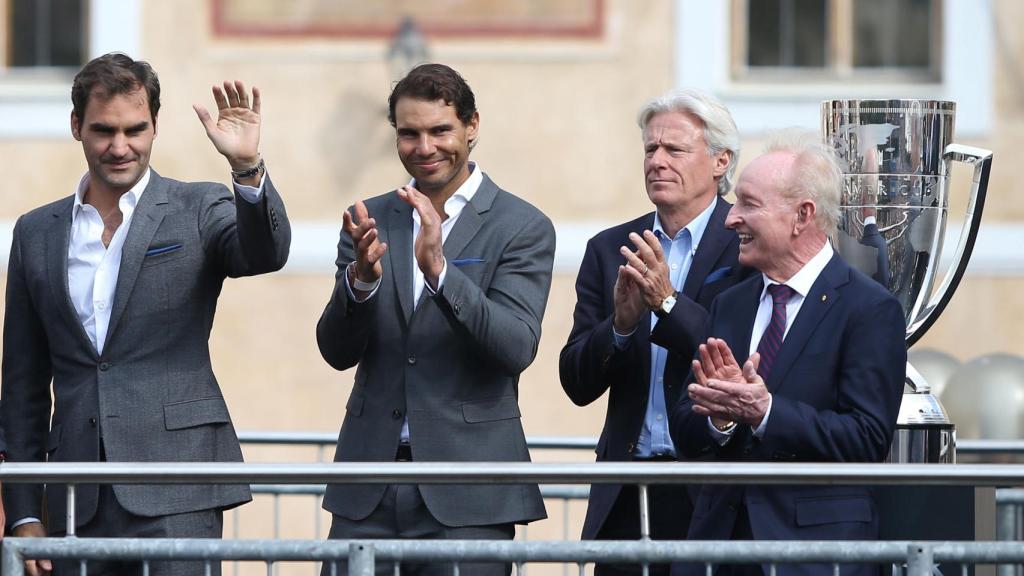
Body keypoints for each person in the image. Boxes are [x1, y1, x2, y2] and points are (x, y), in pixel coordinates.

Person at [0, 52, 290, 576]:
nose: (119, 146)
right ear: (75, 127)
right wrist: (23, 513)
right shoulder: (34, 232)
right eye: (103, 130)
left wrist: (247, 169)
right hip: (74, 496)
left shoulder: (199, 207)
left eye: (135, 129)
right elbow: (21, 384)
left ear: (155, 125)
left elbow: (265, 254)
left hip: (179, 486)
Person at [316, 63, 554, 576]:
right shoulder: (369, 218)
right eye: (409, 133)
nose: (425, 147)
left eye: (440, 130)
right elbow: (336, 352)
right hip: (368, 489)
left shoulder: (522, 225)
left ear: (471, 126)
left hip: (470, 493)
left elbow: (516, 346)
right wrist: (361, 281)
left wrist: (441, 272)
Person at [670, 132, 906, 576]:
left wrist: (766, 413)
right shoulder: (730, 304)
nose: (730, 218)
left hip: (815, 556)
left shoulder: (869, 308)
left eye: (749, 204)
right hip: (720, 550)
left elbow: (867, 438)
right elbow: (685, 422)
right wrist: (721, 417)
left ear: (803, 215)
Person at [559, 89, 750, 576]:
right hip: (627, 488)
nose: (657, 162)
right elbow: (576, 382)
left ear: (719, 161)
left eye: (675, 150)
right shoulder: (610, 249)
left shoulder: (746, 246)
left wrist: (667, 302)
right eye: (650, 149)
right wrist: (619, 328)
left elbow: (738, 355)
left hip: (710, 487)